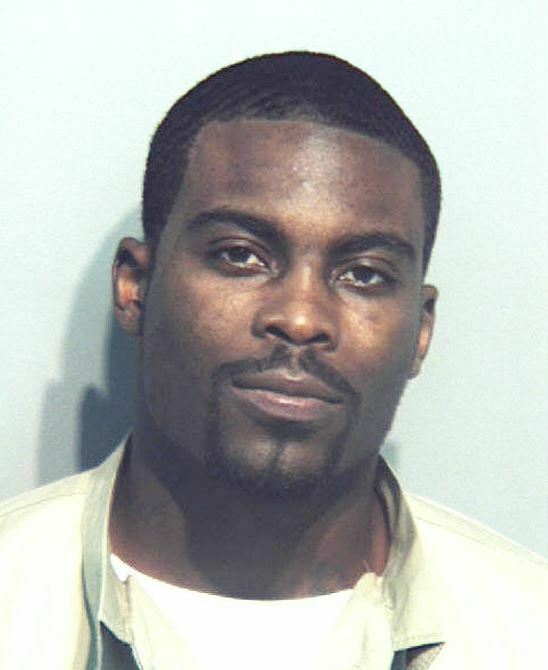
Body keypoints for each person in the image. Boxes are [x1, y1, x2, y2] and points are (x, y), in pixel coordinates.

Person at [0, 52, 545, 670]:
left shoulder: (530, 632)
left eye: (365, 274)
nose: (302, 318)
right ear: (135, 287)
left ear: (420, 331)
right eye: (240, 255)